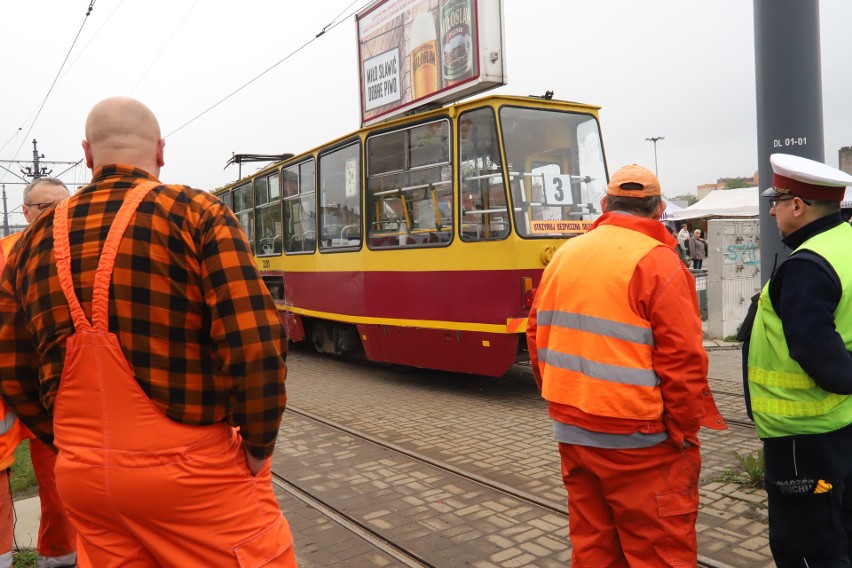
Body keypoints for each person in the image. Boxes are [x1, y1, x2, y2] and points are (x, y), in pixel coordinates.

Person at [0, 97, 296, 567]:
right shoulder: (197, 214)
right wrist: (259, 446)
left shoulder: (27, 246)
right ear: (160, 151)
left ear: (88, 154)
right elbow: (255, 343)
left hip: (86, 484)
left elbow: (13, 368)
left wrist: (71, 447)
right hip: (193, 477)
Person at [527, 164, 726, 566]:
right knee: (659, 552)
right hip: (642, 440)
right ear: (657, 211)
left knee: (595, 548)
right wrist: (682, 431)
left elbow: (536, 335)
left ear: (604, 204)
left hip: (574, 431)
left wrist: (565, 399)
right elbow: (683, 362)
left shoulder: (565, 255)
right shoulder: (658, 263)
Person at [744, 153, 852, 567]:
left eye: (777, 200)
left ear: (797, 205)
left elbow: (813, 345)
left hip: (800, 433)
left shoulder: (808, 264)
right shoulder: (842, 244)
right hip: (838, 422)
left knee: (804, 546)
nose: (771, 209)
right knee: (837, 530)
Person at [0, 177, 77, 568]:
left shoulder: (79, 254)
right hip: (16, 397)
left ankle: (61, 559)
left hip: (53, 396)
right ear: (25, 212)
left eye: (61, 207)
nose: (53, 216)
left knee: (61, 487)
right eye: (44, 208)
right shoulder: (4, 253)